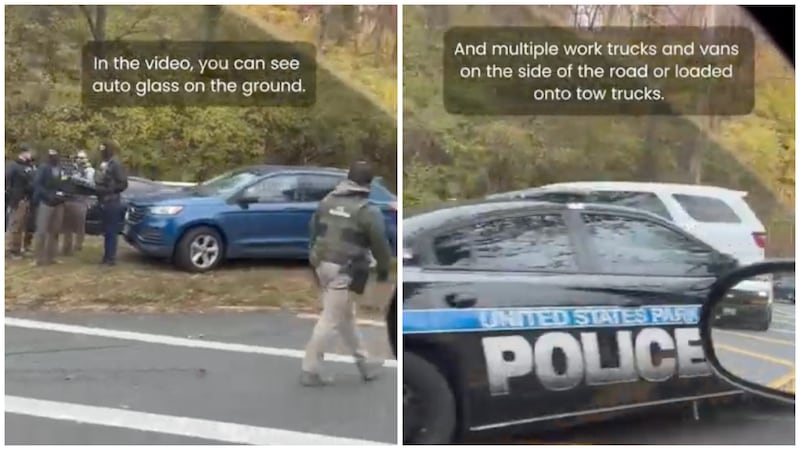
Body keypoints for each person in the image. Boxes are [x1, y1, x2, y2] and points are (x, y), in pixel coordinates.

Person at [301, 160, 392, 386]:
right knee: (330, 319)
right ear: (369, 183)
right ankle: (310, 369)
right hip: (343, 270)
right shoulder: (367, 211)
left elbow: (313, 231)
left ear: (348, 178)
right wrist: (384, 272)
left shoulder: (327, 201)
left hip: (321, 264)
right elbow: (381, 246)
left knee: (345, 316)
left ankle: (365, 364)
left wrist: (314, 260)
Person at [94, 141, 128, 266]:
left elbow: (123, 184)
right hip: (103, 200)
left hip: (112, 201)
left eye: (104, 150)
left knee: (111, 231)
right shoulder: (104, 163)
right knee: (106, 231)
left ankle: (110, 258)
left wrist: (110, 190)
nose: (102, 152)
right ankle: (106, 256)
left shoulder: (116, 164)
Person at [32, 149, 68, 266]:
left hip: (59, 203)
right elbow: (37, 184)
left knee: (55, 231)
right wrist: (48, 195)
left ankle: (52, 257)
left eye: (55, 155)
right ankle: (38, 258)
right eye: (51, 155)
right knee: (41, 231)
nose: (54, 157)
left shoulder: (61, 168)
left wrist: (63, 194)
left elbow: (65, 183)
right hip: (46, 202)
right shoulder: (43, 168)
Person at [61, 150, 95, 255]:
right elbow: (64, 179)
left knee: (79, 225)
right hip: (69, 199)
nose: (79, 160)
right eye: (78, 157)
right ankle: (67, 248)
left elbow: (91, 184)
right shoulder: (72, 168)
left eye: (82, 158)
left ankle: (78, 246)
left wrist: (76, 179)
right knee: (67, 226)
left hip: (81, 200)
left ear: (86, 159)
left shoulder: (89, 170)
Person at [5, 144, 36, 258]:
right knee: (16, 225)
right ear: (23, 153)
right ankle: (12, 250)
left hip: (29, 199)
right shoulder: (14, 165)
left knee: (25, 225)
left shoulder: (30, 166)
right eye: (29, 152)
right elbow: (6, 180)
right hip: (18, 199)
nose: (31, 154)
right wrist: (10, 194)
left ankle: (23, 247)